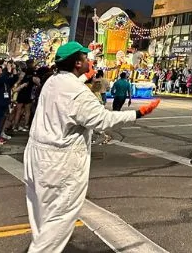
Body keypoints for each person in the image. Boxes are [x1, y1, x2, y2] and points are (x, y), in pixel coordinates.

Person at [24, 42, 160, 253]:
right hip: (60, 162)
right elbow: (103, 120)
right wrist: (138, 113)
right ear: (77, 63)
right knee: (60, 216)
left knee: (41, 212)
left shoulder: (52, 81)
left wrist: (83, 77)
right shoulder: (78, 93)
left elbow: (70, 91)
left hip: (36, 154)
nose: (90, 61)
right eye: (86, 58)